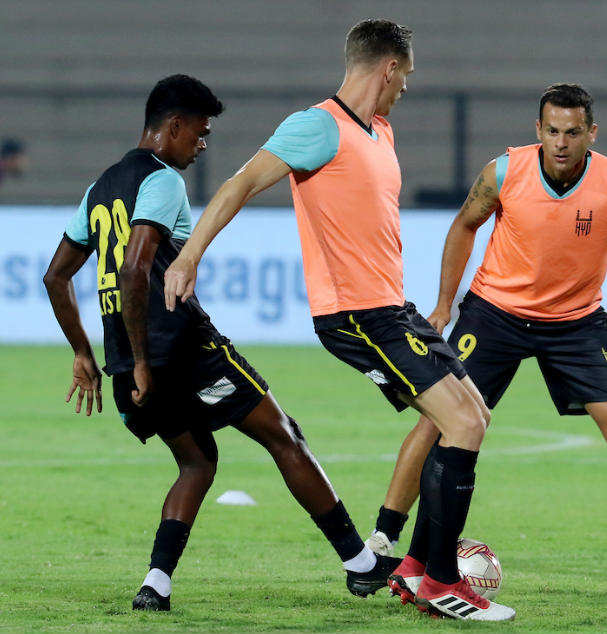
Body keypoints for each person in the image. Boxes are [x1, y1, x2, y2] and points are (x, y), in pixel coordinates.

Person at [162, 21, 514, 622]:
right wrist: (189, 254)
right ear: (389, 68)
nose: (406, 87)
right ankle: (440, 582)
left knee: (472, 414)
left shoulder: (381, 131)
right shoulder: (316, 126)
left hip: (392, 307)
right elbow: (240, 184)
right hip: (355, 314)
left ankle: (414, 568)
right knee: (460, 423)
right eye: (406, 75)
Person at [43, 74, 400, 612]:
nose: (202, 144)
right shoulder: (162, 180)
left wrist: (83, 352)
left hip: (126, 363)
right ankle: (361, 564)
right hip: (183, 352)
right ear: (174, 126)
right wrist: (144, 361)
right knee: (285, 437)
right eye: (200, 133)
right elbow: (137, 269)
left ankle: (156, 585)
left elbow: (56, 276)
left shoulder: (100, 188)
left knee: (197, 462)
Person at [364, 83, 607, 586]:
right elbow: (464, 226)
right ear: (538, 130)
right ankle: (384, 535)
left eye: (572, 133)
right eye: (552, 131)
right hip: (495, 314)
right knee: (438, 420)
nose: (561, 142)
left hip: (576, 322)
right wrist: (444, 304)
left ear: (591, 133)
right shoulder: (505, 172)